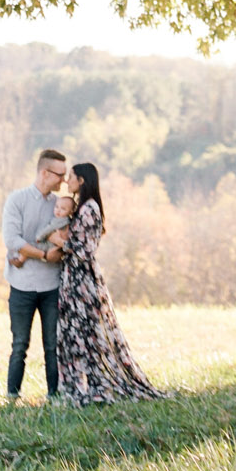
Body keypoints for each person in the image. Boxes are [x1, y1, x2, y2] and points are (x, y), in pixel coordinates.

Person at [55, 160, 162, 406]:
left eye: (71, 177)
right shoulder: (82, 207)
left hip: (82, 279)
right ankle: (78, 384)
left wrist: (60, 242)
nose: (67, 182)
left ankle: (93, 385)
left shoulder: (89, 208)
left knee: (87, 331)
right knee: (77, 331)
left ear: (81, 181)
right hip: (74, 277)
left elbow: (86, 249)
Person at [1, 147, 69, 402]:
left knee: (52, 345)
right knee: (20, 345)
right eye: (59, 174)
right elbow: (11, 239)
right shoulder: (16, 200)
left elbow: (63, 239)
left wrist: (25, 251)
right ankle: (12, 396)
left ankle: (54, 395)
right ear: (44, 172)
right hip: (21, 286)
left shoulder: (60, 206)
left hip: (51, 287)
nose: (63, 181)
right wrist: (41, 255)